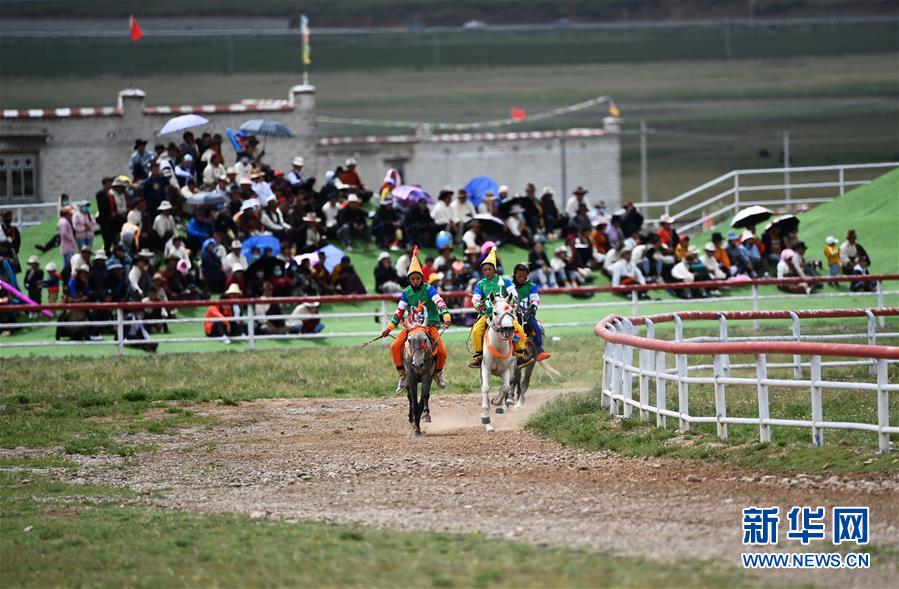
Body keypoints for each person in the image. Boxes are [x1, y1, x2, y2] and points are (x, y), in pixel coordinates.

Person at [379, 247, 451, 392]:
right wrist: (389, 328)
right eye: (412, 279)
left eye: (418, 278)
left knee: (442, 351)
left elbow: (439, 302)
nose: (416, 281)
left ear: (422, 278)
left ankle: (438, 373)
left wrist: (446, 315)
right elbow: (399, 312)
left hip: (429, 326)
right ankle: (402, 375)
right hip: (412, 327)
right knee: (395, 346)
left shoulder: (429, 289)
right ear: (409, 280)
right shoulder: (406, 292)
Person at [468, 247, 527, 368]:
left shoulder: (505, 280)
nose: (487, 272)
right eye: (484, 270)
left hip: (505, 313)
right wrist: (478, 305)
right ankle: (479, 356)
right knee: (476, 331)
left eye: (489, 269)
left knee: (518, 329)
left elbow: (514, 294)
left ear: (495, 269)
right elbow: (475, 299)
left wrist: (512, 302)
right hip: (488, 314)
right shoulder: (480, 284)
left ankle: (520, 354)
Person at [512, 263, 550, 362]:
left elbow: (535, 299)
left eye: (524, 276)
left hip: (527, 314)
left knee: (537, 328)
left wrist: (533, 307)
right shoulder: (510, 286)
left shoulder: (531, 286)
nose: (521, 278)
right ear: (515, 275)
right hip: (513, 315)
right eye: (519, 276)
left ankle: (539, 350)